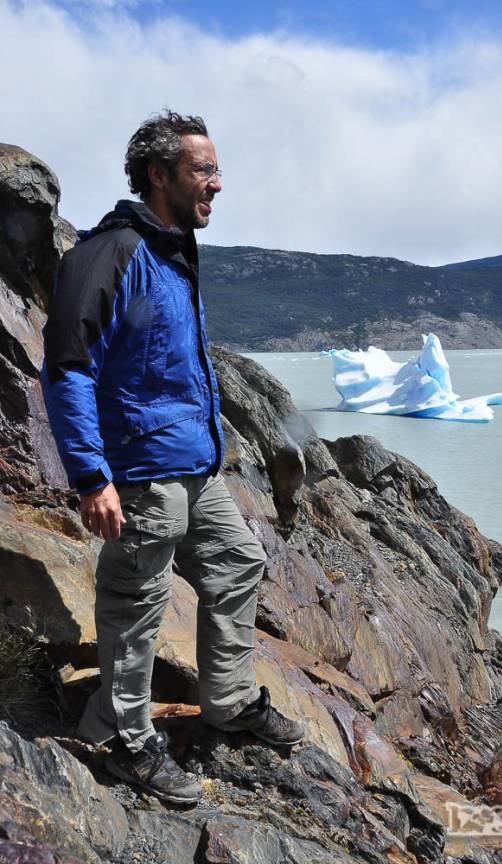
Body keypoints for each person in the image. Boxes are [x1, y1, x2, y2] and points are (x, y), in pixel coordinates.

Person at [41, 110, 305, 804]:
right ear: (159, 175)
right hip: (138, 474)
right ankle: (122, 740)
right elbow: (67, 365)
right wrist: (91, 476)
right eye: (204, 170)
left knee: (239, 561)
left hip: (192, 466)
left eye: (216, 170)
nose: (217, 184)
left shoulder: (172, 251)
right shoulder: (113, 253)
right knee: (136, 604)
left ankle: (230, 701)